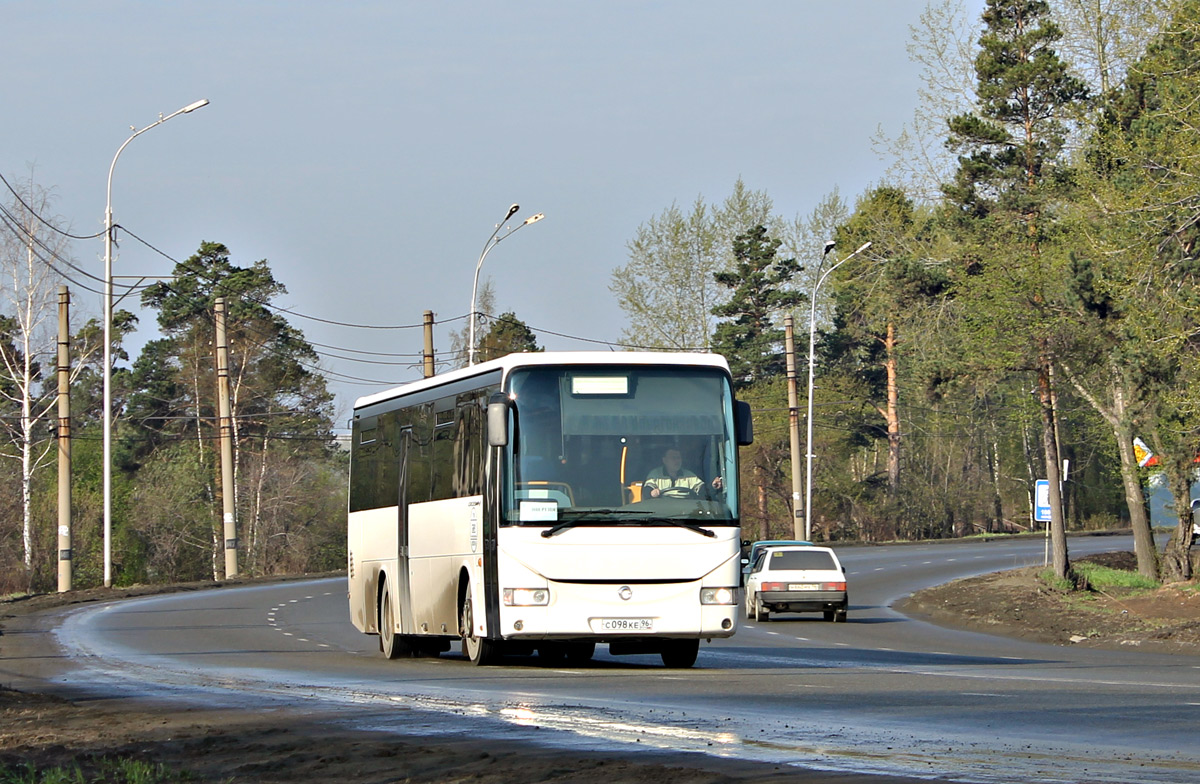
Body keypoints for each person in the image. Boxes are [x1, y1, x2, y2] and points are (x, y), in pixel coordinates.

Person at [644, 447, 723, 499]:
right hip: (662, 514)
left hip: (685, 513)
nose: (677, 461)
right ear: (665, 460)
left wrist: (712, 486)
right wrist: (651, 493)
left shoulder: (689, 476)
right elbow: (646, 491)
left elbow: (702, 489)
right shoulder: (655, 475)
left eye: (678, 458)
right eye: (673, 458)